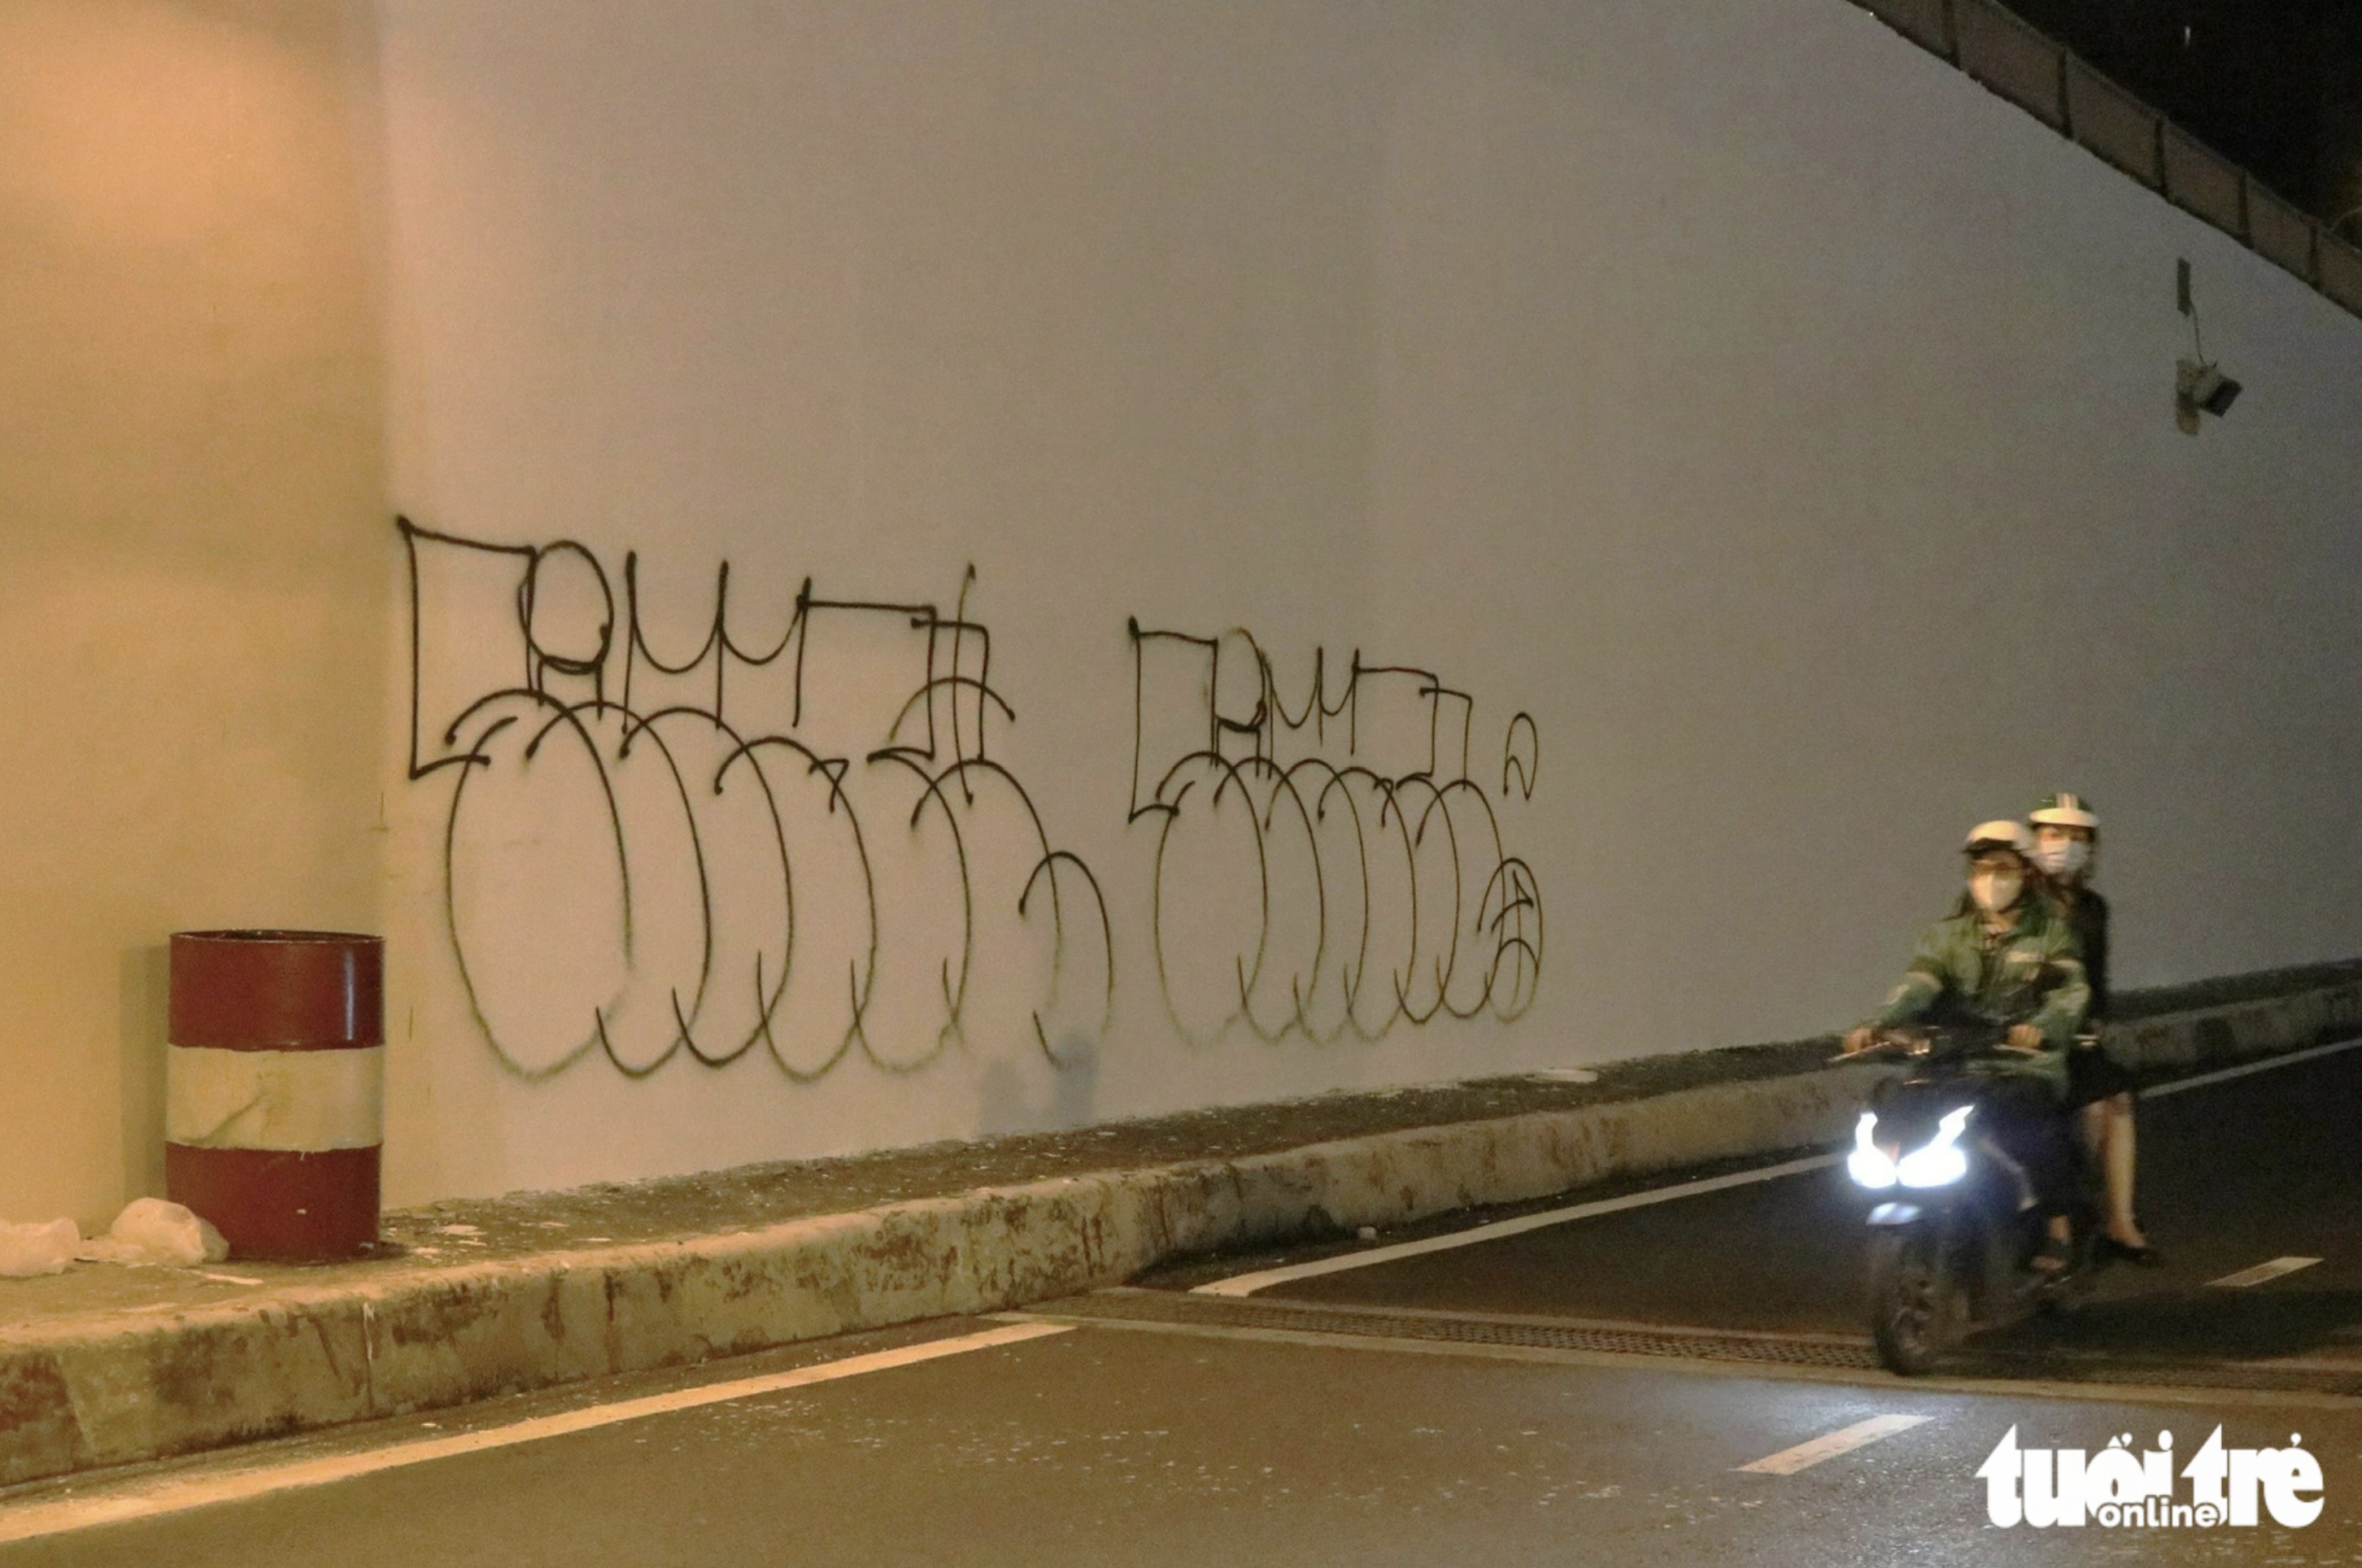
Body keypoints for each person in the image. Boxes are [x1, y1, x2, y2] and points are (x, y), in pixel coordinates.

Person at [1843, 821, 2091, 1257]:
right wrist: (1879, 1023)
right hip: (1952, 1059)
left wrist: (2042, 1028)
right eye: (1981, 869)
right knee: (1896, 1103)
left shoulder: (2051, 932)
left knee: (2027, 1121)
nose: (1990, 878)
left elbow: (2071, 993)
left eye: (2002, 867)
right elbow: (1918, 983)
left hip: (2020, 1061)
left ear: (2027, 873)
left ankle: (2057, 1226)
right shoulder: (1946, 935)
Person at [2030, 791, 2156, 1265]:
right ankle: (2055, 1223)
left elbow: (2094, 977)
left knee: (2113, 1102)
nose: (2064, 844)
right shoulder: (2015, 899)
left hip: (2071, 1036)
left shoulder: (2091, 908)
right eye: (2054, 833)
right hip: (2018, 1035)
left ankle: (2119, 1220)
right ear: (2035, 838)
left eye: (2078, 837)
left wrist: (2094, 1021)